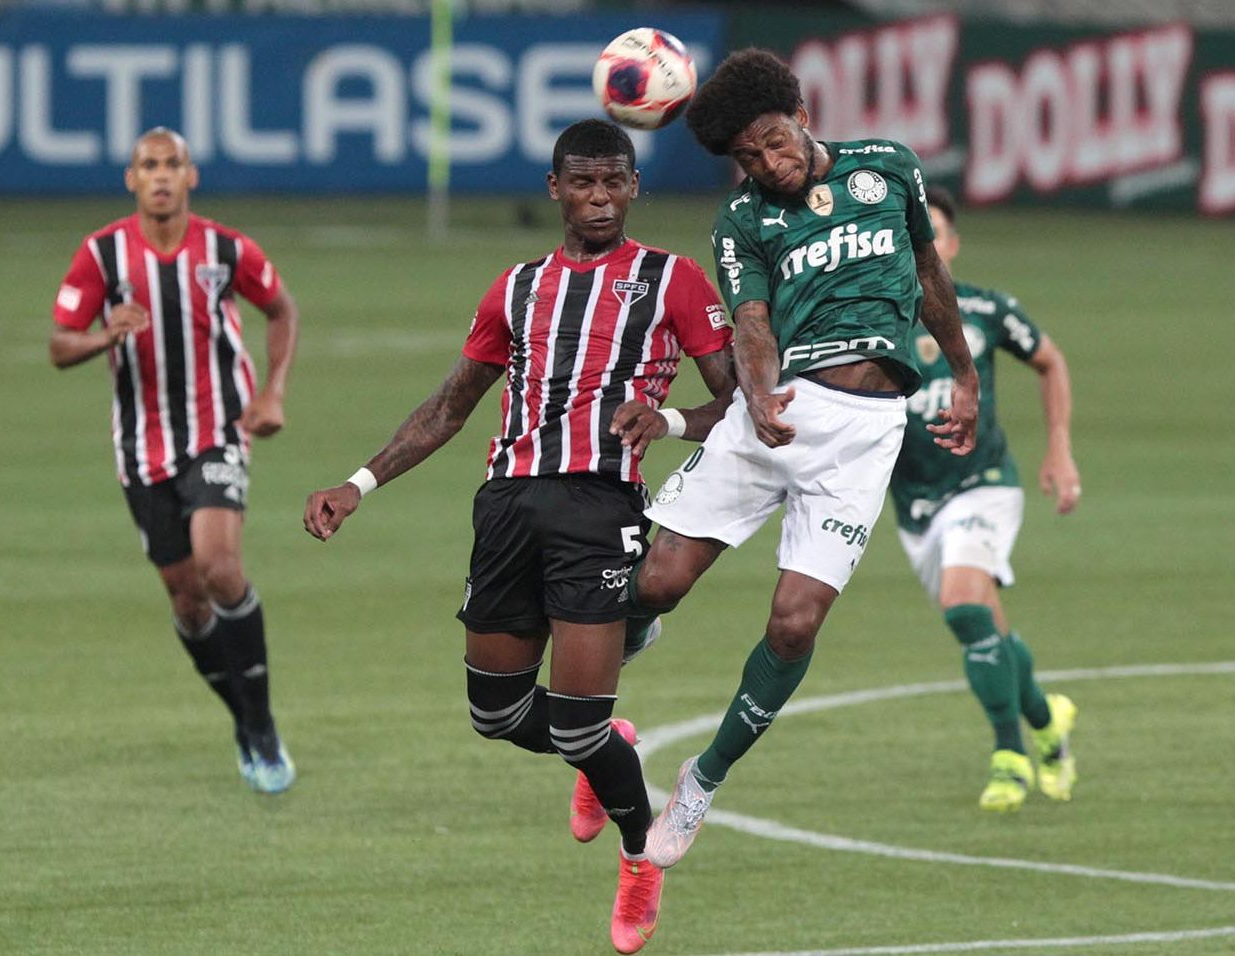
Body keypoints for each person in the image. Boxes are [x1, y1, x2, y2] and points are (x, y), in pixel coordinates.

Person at [301, 119, 736, 955]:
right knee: (494, 714)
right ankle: (614, 746)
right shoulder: (516, 287)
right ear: (555, 189)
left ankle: (641, 852)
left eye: (614, 182)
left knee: (574, 727)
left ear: (634, 187)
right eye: (583, 183)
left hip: (598, 512)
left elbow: (742, 407)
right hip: (505, 506)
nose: (600, 198)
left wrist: (671, 417)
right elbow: (450, 406)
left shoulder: (673, 281)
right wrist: (357, 484)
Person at [628, 48, 982, 868]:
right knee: (655, 584)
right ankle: (631, 643)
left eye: (772, 141)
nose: (766, 163)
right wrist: (754, 392)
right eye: (747, 157)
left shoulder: (888, 169)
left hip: (864, 436)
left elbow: (928, 272)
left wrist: (962, 372)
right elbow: (751, 321)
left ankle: (701, 782)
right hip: (777, 413)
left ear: (804, 115)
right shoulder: (743, 221)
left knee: (793, 625)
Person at [49, 127, 300, 794]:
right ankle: (245, 720)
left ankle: (264, 726)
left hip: (218, 429)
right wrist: (107, 332)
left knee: (219, 568)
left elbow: (280, 309)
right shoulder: (102, 254)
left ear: (191, 176)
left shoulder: (225, 247)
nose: (160, 176)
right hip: (141, 446)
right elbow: (58, 343)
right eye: (147, 166)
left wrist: (272, 391)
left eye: (172, 165)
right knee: (188, 601)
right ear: (131, 180)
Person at [892, 187, 1081, 812]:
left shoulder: (984, 308)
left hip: (984, 484)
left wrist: (1059, 449)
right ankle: (1047, 720)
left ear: (953, 243)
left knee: (963, 602)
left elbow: (1050, 361)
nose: (930, 246)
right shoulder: (873, 315)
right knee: (987, 627)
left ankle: (1009, 756)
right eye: (918, 234)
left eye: (938, 234)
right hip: (915, 505)